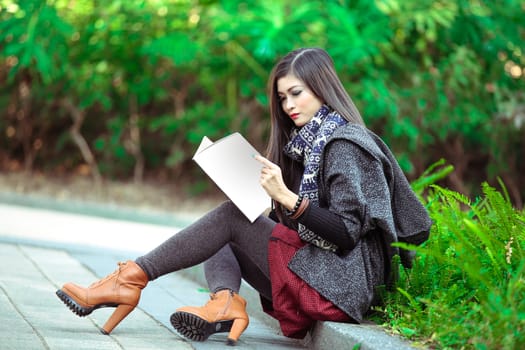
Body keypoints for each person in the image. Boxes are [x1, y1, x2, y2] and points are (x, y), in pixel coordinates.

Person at [56, 47, 432, 345]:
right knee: (231, 219)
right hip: (322, 273)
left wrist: (288, 199)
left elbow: (348, 232)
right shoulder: (307, 147)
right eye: (283, 97)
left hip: (342, 286)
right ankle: (225, 303)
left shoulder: (345, 144)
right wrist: (269, 201)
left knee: (230, 219)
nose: (288, 106)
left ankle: (128, 281)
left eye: (296, 94)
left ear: (323, 87)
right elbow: (307, 223)